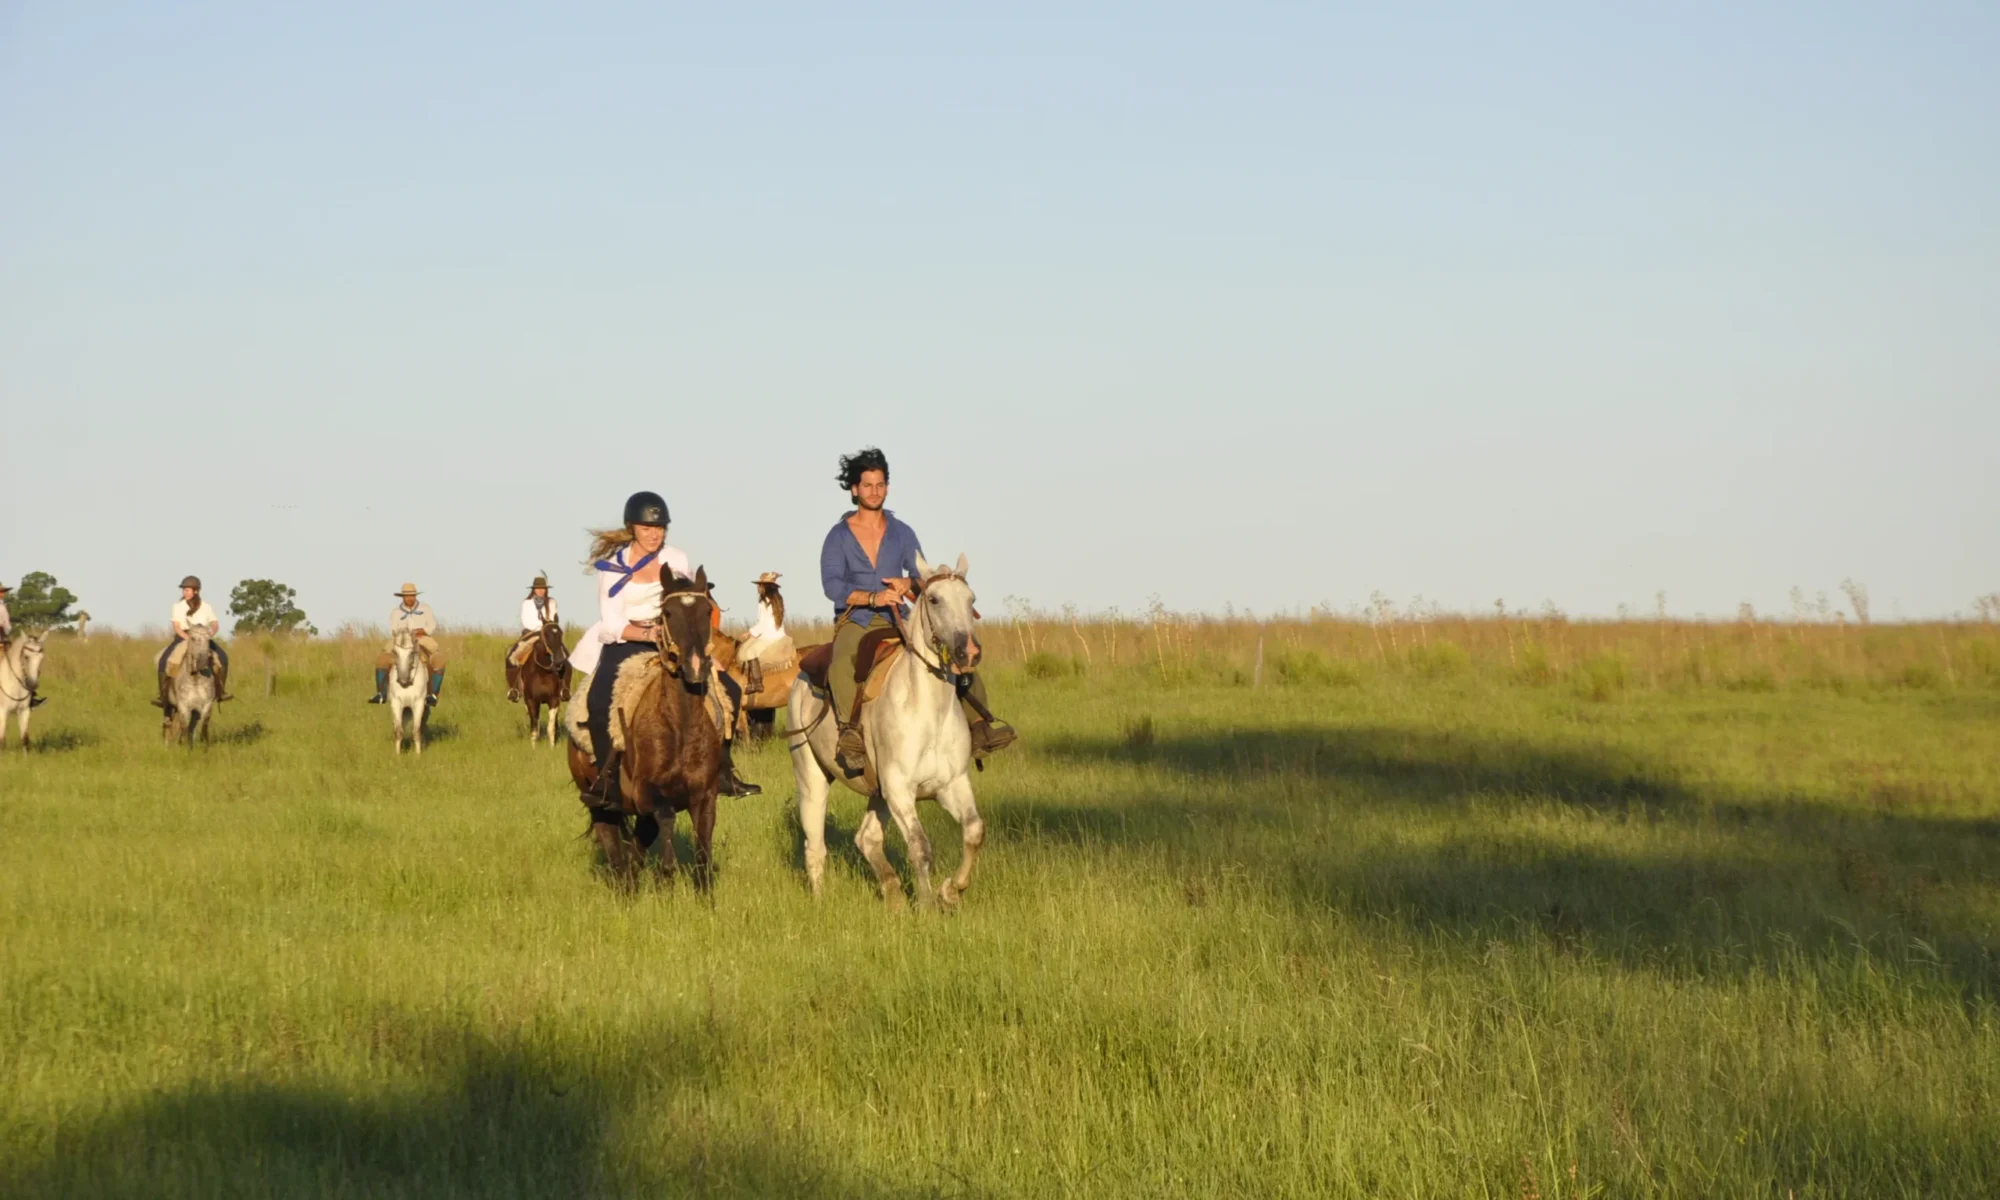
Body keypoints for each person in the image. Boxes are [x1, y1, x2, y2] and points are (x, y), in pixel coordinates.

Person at [820, 447, 1014, 777]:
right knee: (842, 661)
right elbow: (833, 586)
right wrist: (872, 598)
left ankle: (980, 726)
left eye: (880, 485)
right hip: (857, 619)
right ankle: (849, 733)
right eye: (867, 485)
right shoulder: (838, 536)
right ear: (854, 489)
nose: (874, 491)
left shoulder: (903, 533)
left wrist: (906, 582)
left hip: (902, 617)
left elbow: (921, 579)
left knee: (956, 653)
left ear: (887, 487)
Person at [570, 490, 761, 807]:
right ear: (632, 528)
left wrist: (702, 647)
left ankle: (725, 770)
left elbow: (689, 603)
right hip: (626, 640)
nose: (654, 534)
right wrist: (649, 633)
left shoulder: (677, 559)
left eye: (659, 528)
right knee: (600, 697)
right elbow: (611, 623)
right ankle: (607, 781)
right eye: (647, 528)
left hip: (676, 639)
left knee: (729, 688)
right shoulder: (611, 569)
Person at [154, 575, 233, 708]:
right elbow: (177, 627)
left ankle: (220, 692)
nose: (184, 592)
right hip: (184, 637)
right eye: (183, 590)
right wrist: (188, 638)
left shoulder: (206, 606)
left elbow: (214, 624)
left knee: (223, 658)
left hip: (203, 638)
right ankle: (163, 696)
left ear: (196, 591)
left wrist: (210, 634)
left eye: (187, 590)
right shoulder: (178, 606)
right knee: (163, 661)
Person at [368, 583, 446, 706]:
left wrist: (421, 631)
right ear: (402, 597)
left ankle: (433, 694)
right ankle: (381, 694)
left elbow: (432, 626)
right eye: (407, 596)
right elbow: (393, 630)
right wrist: (404, 634)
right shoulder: (395, 612)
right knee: (382, 660)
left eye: (412, 595)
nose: (410, 598)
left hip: (422, 638)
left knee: (439, 659)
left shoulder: (425, 608)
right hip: (401, 640)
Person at [505, 575, 560, 703]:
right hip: (531, 634)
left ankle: (563, 688)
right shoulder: (527, 603)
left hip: (548, 634)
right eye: (538, 588)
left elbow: (553, 619)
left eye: (543, 588)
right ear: (534, 589)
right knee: (511, 656)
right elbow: (526, 621)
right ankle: (514, 689)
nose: (541, 590)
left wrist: (545, 629)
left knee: (563, 655)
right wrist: (539, 628)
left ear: (546, 590)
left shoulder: (552, 603)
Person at [0, 579, 47, 708]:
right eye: (1, 592)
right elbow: (8, 628)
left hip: (2, 643)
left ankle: (28, 695)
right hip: (1, 644)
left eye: (3, 592)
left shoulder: (3, 607)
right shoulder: (2, 608)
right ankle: (31, 697)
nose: (2, 594)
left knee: (23, 665)